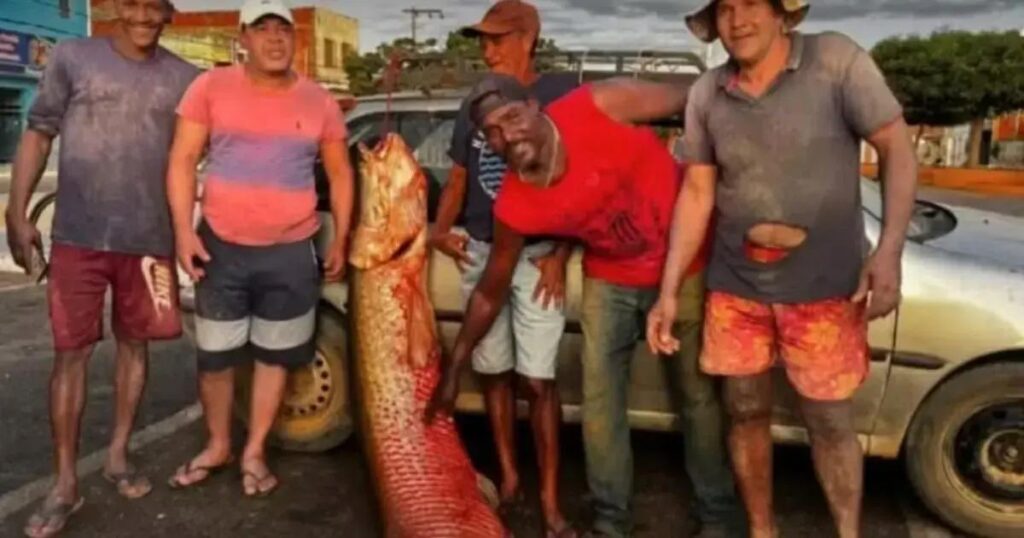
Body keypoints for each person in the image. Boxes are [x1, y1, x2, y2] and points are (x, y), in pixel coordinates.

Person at [425, 74, 744, 538]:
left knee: (696, 396)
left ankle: (717, 515)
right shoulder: (515, 204)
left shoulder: (596, 105)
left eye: (512, 117)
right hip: (610, 276)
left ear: (536, 107)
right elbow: (490, 291)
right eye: (491, 132)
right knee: (600, 402)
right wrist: (454, 368)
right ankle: (611, 519)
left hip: (686, 260)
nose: (505, 137)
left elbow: (695, 94)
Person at [646, 1, 918, 537]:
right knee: (744, 410)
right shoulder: (708, 93)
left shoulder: (836, 62)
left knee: (830, 421)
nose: (737, 20)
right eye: (725, 9)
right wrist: (669, 290)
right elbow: (698, 192)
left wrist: (888, 251)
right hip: (737, 289)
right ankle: (762, 530)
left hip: (823, 293)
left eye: (752, 5)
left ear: (781, 15)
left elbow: (897, 148)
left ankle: (847, 532)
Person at [4, 1, 198, 536]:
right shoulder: (72, 56)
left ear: (169, 14)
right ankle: (64, 482)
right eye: (132, 4)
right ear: (116, 9)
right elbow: (38, 134)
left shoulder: (187, 78)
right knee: (71, 355)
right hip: (77, 238)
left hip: (148, 243)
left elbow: (226, 129)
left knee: (134, 346)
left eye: (153, 7)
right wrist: (16, 213)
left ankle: (117, 455)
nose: (142, 16)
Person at [165, 0, 353, 497]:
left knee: (274, 357)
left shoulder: (319, 101)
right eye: (262, 29)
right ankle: (219, 444)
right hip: (221, 248)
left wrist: (346, 235)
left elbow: (340, 171)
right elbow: (183, 160)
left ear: (296, 39)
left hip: (291, 252)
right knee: (216, 358)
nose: (275, 39)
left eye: (283, 30)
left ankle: (254, 452)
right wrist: (184, 233)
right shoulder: (210, 87)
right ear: (242, 37)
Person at [429, 1, 578, 534]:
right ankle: (511, 477)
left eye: (498, 39)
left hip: (537, 259)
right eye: (483, 42)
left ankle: (551, 499)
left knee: (538, 382)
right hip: (481, 252)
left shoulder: (560, 96)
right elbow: (459, 180)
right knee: (492, 373)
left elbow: (578, 186)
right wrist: (439, 232)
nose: (488, 50)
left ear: (529, 38)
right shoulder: (475, 101)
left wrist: (561, 254)